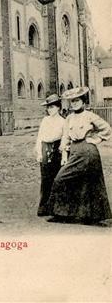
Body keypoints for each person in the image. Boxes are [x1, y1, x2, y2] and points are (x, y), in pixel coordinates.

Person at [48, 86, 112, 224]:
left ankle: (91, 217)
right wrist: (64, 156)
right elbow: (65, 137)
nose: (74, 103)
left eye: (77, 101)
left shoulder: (90, 115)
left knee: (89, 183)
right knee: (61, 179)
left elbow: (106, 128)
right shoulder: (69, 118)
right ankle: (62, 214)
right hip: (74, 151)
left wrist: (95, 140)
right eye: (72, 101)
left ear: (83, 102)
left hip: (88, 152)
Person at [35, 94, 65, 216]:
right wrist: (39, 153)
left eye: (52, 107)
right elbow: (40, 137)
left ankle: (56, 208)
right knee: (45, 179)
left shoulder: (63, 121)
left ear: (58, 107)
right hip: (45, 150)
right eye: (48, 107)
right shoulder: (45, 120)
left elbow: (64, 139)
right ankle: (44, 207)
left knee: (56, 178)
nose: (49, 110)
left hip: (57, 150)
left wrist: (64, 156)